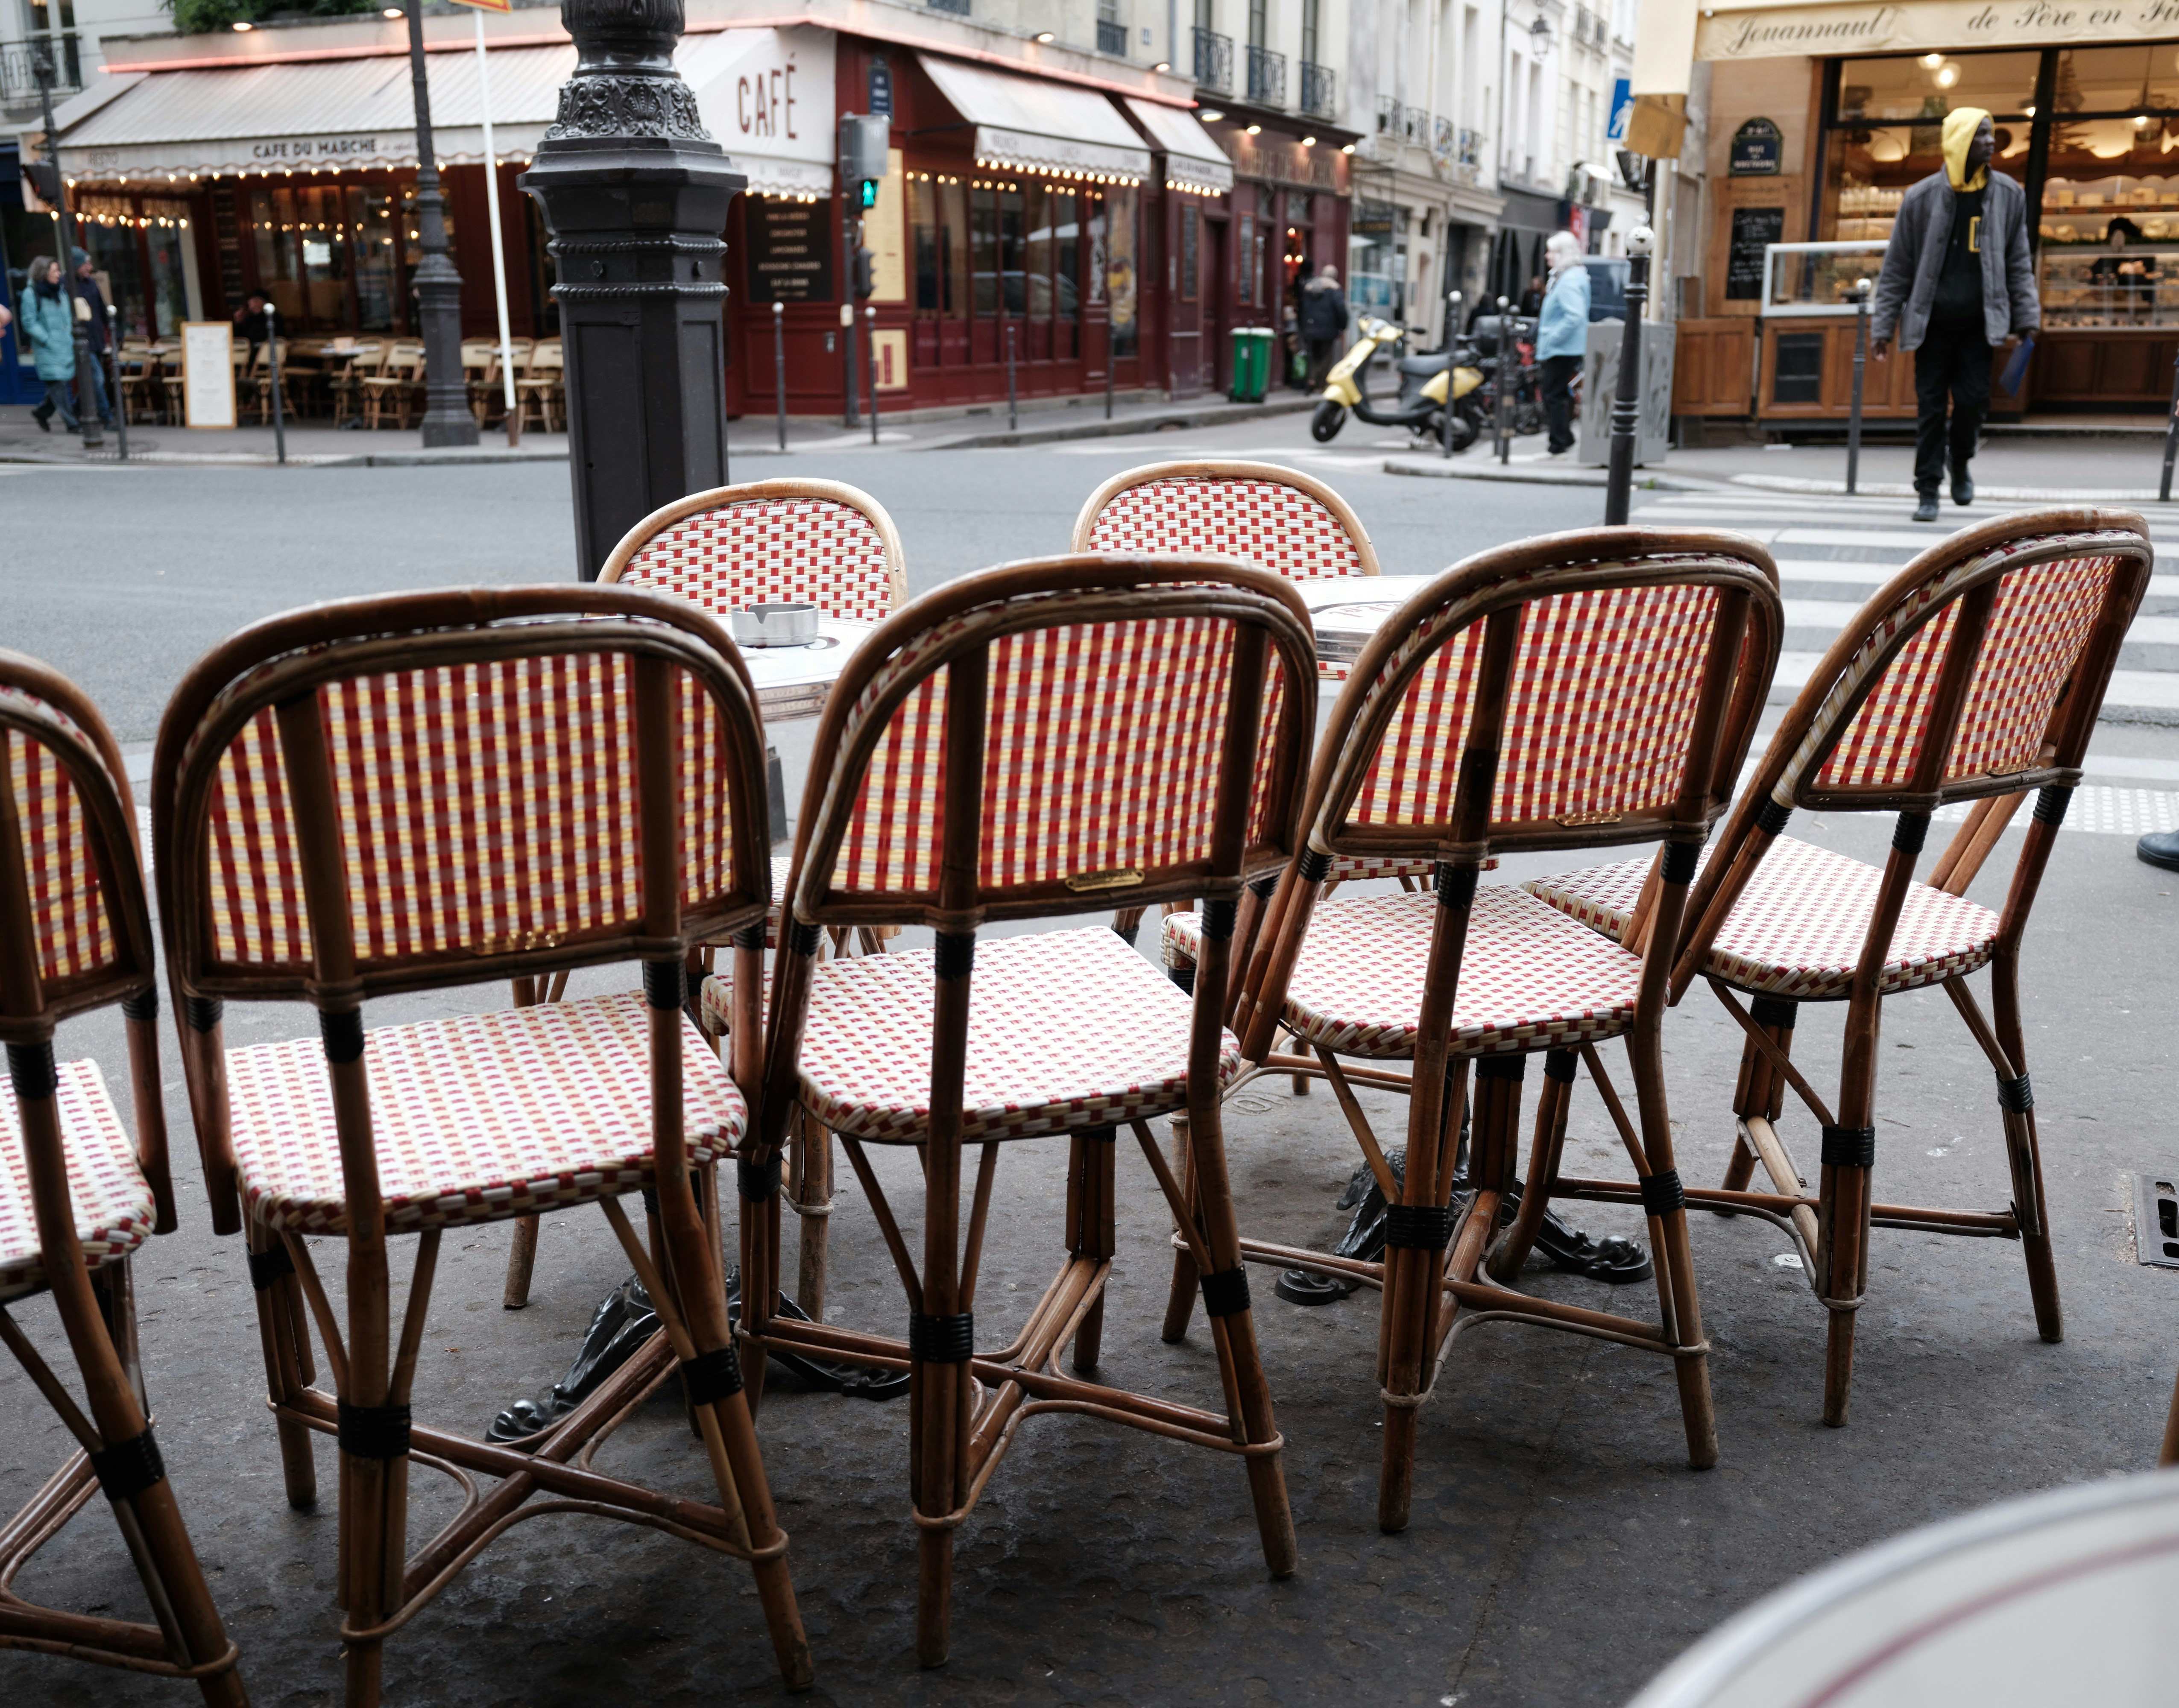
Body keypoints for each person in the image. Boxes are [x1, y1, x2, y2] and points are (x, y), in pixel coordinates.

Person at [1870, 106, 2038, 524]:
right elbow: (1897, 267)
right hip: (1931, 325)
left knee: (1972, 403)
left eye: (1991, 134)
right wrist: (1881, 327)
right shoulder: (1920, 197)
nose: (1990, 142)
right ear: (1960, 141)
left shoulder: (2007, 195)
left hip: (1980, 324)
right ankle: (1927, 489)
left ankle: (1959, 460)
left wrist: (2027, 316)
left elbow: (2018, 261)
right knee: (1929, 408)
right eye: (1981, 135)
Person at [1535, 231, 1590, 457]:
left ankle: (1559, 442)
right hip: (1567, 347)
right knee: (1556, 393)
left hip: (1562, 348)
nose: (1547, 256)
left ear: (1562, 254)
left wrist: (1551, 338)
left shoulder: (1568, 281)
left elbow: (1574, 316)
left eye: (1552, 252)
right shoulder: (1571, 277)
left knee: (1552, 394)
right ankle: (1563, 438)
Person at [20, 255, 82, 433]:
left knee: (60, 385)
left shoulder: (60, 291)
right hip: (48, 349)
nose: (59, 274)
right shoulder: (31, 294)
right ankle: (72, 423)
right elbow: (29, 322)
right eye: (55, 271)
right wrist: (47, 340)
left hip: (66, 346)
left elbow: (68, 317)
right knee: (59, 385)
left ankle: (41, 412)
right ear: (43, 273)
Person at [67, 247, 116, 431]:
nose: (90, 267)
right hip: (81, 341)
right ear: (77, 265)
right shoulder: (67, 284)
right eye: (86, 264)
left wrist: (112, 330)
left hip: (96, 340)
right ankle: (107, 417)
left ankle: (73, 410)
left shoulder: (91, 283)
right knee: (97, 379)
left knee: (92, 380)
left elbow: (102, 308)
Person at [1297, 263, 1348, 388]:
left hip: (1310, 327)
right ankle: (1321, 382)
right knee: (1326, 355)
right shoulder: (1335, 289)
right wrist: (1343, 325)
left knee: (1313, 354)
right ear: (1334, 276)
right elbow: (1341, 309)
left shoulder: (1310, 286)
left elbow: (1301, 307)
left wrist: (1303, 325)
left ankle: (1311, 378)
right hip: (1329, 329)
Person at [233, 290, 271, 357]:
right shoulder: (250, 318)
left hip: (264, 353)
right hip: (249, 352)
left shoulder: (272, 317)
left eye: (251, 303)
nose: (250, 306)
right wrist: (238, 322)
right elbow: (239, 335)